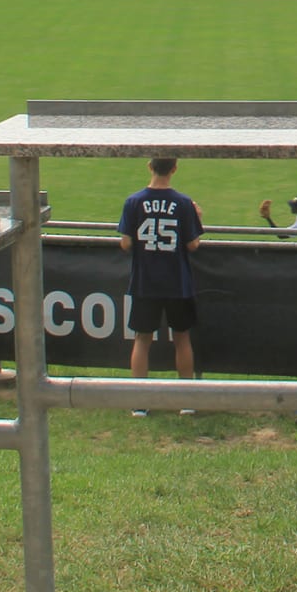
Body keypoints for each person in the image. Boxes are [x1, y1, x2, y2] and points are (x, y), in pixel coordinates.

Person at [115, 156, 205, 415]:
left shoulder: (133, 202)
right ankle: (186, 401)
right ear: (174, 168)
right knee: (182, 338)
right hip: (178, 282)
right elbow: (192, 245)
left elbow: (125, 243)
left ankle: (139, 402)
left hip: (145, 282)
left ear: (149, 166)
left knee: (142, 340)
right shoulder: (184, 203)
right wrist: (198, 218)